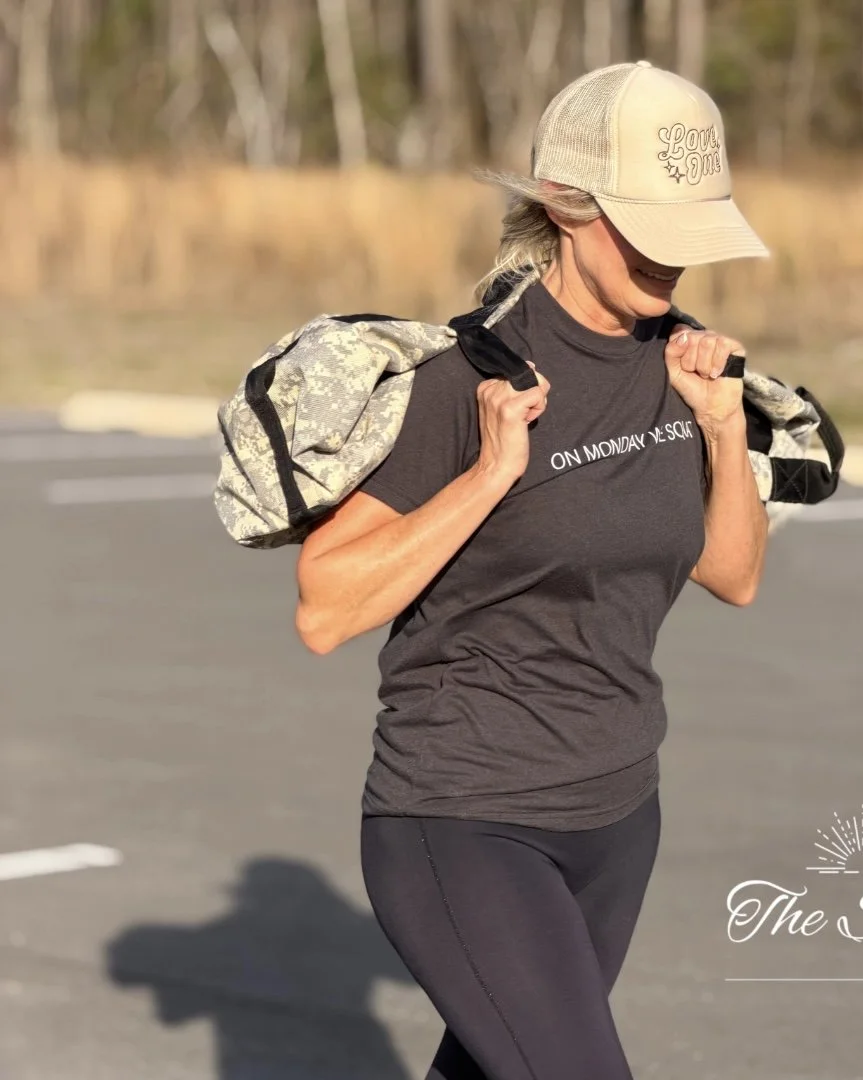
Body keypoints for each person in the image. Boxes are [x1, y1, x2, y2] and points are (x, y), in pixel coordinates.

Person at [294, 60, 770, 1080]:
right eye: (652, 233)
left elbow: (732, 574)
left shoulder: (684, 365)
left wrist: (726, 432)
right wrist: (489, 475)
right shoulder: (469, 379)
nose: (675, 266)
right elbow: (324, 608)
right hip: (464, 819)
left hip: (615, 817)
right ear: (567, 206)